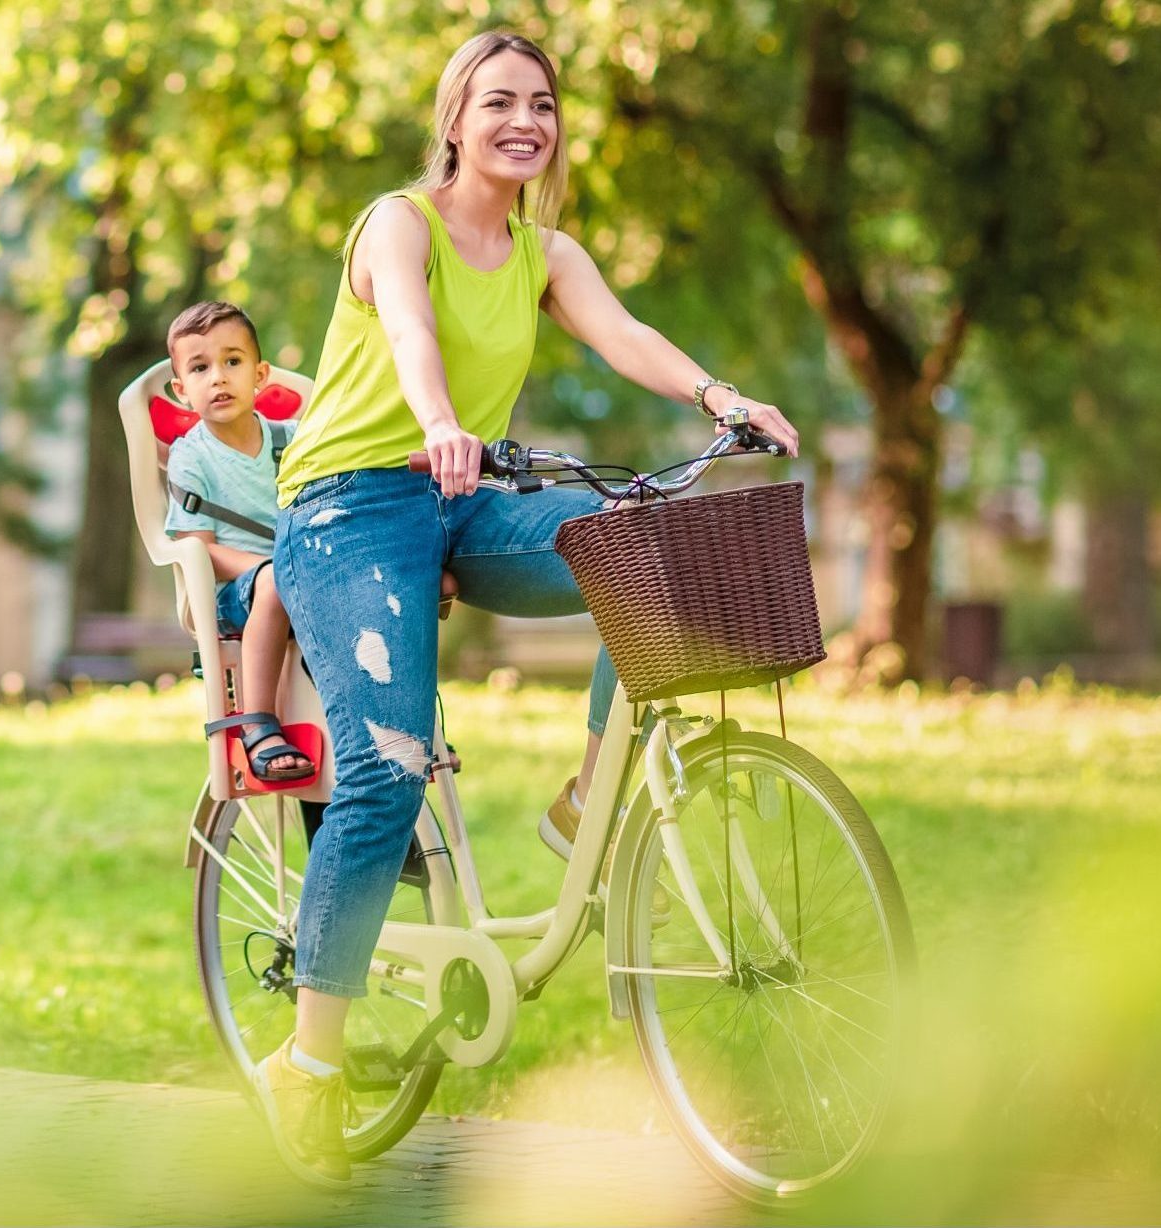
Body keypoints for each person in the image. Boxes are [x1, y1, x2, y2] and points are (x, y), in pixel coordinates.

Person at [247, 30, 803, 1185]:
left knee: (640, 554)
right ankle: (308, 1061)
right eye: (497, 101)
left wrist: (720, 394)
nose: (523, 121)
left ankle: (583, 794)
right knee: (387, 767)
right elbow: (406, 329)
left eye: (541, 104)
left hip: (458, 496)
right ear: (453, 119)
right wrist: (440, 417)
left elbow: (624, 335)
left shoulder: (545, 251)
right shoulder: (398, 223)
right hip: (349, 510)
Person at [161, 301, 314, 783]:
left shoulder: (292, 440)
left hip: (304, 576)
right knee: (274, 583)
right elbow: (199, 547)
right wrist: (272, 568)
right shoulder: (193, 458)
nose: (219, 378)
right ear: (181, 390)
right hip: (237, 591)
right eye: (201, 368)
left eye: (232, 362)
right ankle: (259, 723)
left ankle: (398, 727)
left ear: (260, 373)